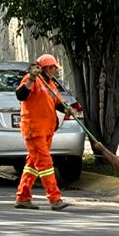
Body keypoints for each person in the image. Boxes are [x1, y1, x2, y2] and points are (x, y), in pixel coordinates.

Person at [15, 54, 73, 212]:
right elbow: (21, 95)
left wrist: (66, 108)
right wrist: (32, 79)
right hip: (34, 130)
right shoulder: (32, 79)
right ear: (48, 68)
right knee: (46, 164)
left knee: (33, 164)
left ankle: (23, 197)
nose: (56, 71)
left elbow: (57, 102)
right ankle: (54, 199)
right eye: (54, 68)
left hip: (46, 130)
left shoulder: (50, 84)